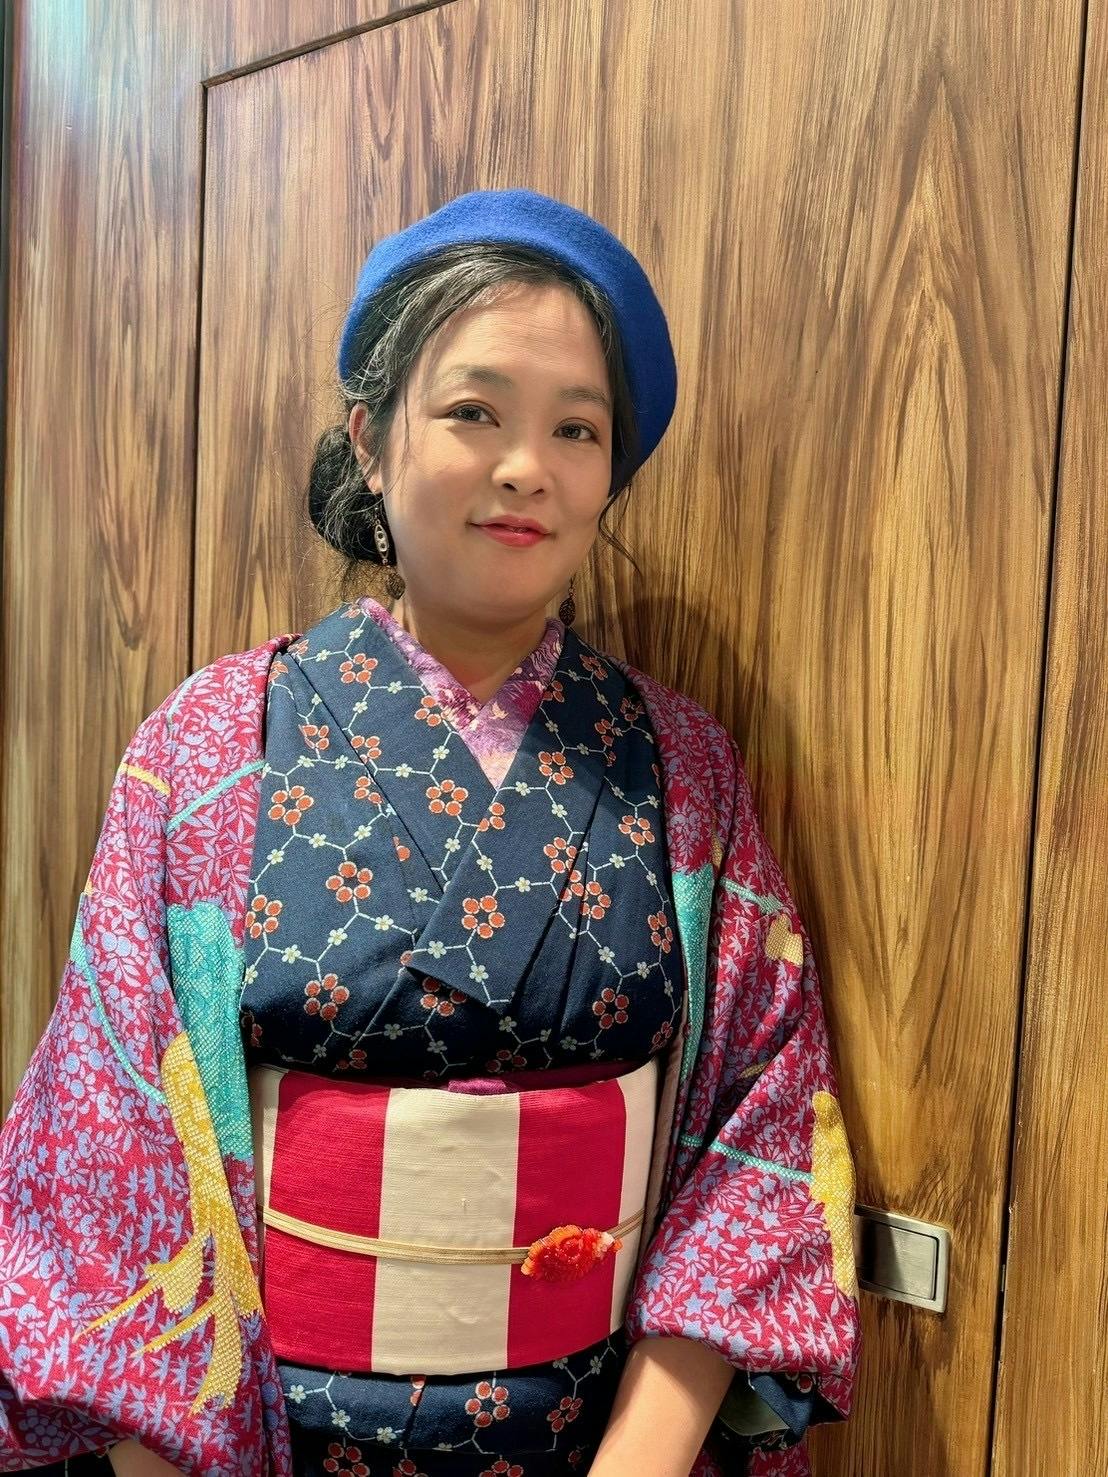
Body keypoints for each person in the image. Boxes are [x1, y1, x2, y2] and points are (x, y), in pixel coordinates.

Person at [0, 189, 860, 1477]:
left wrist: (642, 1461)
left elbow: (761, 1124)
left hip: (596, 1436)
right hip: (261, 1437)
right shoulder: (207, 748)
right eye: (474, 411)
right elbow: (110, 1135)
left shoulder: (684, 768)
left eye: (577, 429)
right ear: (370, 438)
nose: (527, 467)